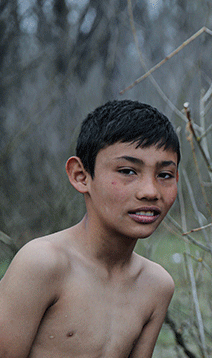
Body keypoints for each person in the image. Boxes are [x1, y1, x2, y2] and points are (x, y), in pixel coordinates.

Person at [0, 100, 180, 358]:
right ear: (80, 176)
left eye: (164, 175)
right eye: (128, 171)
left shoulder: (156, 285)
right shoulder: (43, 264)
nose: (150, 192)